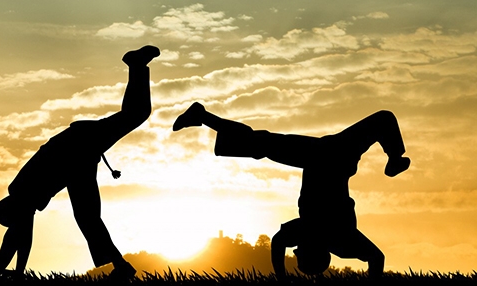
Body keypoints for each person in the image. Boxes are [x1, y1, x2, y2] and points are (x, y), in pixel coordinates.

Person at [172, 102, 410, 278]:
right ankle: (395, 159)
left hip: (325, 155)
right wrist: (281, 278)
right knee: (261, 144)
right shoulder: (336, 238)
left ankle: (202, 116)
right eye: (300, 254)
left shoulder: (325, 237)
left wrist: (281, 278)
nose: (294, 250)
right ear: (311, 251)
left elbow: (278, 243)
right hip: (333, 155)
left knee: (261, 143)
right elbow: (278, 243)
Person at [0, 45, 160, 279]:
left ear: (12, 210)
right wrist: (16, 272)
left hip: (77, 147)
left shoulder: (22, 193)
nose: (21, 224)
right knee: (88, 218)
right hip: (77, 161)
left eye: (15, 221)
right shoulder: (24, 201)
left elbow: (15, 239)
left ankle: (136, 64)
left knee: (135, 114)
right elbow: (22, 237)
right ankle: (121, 266)